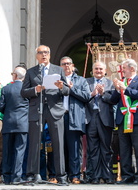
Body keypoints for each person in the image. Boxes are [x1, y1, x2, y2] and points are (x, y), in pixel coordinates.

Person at [21, 45, 69, 185]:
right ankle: (32, 174)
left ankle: (61, 176)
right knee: (35, 143)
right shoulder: (31, 72)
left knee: (58, 143)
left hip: (55, 109)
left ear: (50, 54)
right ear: (36, 55)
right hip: (37, 110)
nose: (44, 55)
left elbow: (67, 91)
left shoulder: (58, 70)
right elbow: (23, 92)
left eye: (46, 52)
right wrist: (35, 89)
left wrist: (61, 87)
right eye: (41, 53)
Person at [110, 59, 138, 184]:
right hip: (122, 119)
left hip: (136, 119)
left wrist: (125, 88)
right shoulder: (122, 82)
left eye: (124, 68)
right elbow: (113, 100)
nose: (122, 70)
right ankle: (127, 175)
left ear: (132, 68)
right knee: (124, 149)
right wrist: (117, 90)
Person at [59, 56, 90, 184]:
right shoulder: (57, 80)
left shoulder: (81, 80)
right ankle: (61, 175)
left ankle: (75, 175)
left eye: (68, 64)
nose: (66, 66)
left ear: (73, 66)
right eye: (63, 64)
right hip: (59, 116)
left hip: (74, 116)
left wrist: (72, 89)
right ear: (60, 66)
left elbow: (87, 96)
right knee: (60, 147)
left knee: (74, 148)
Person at [0, 66, 29, 184]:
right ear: (24, 77)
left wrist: (8, 112)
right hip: (22, 124)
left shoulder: (6, 88)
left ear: (14, 76)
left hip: (8, 123)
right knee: (19, 151)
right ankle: (17, 177)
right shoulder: (27, 90)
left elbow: (0, 106)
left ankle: (6, 177)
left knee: (7, 151)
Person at [85, 61, 115, 184]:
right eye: (96, 69)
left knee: (106, 148)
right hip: (91, 117)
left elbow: (114, 100)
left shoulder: (110, 83)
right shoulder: (86, 82)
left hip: (105, 118)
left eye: (101, 69)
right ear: (93, 70)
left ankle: (107, 175)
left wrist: (103, 94)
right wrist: (93, 93)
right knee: (93, 148)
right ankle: (95, 176)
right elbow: (82, 97)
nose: (98, 71)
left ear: (105, 70)